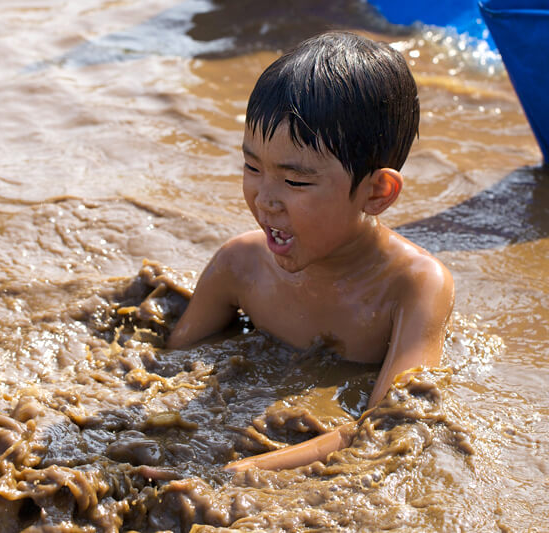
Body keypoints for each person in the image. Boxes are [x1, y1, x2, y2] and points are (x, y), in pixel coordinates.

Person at [166, 31, 455, 472]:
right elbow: (172, 365)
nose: (265, 199)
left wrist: (238, 473)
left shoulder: (412, 287)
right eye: (251, 167)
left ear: (378, 192)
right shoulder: (238, 266)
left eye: (295, 181)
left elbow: (389, 427)